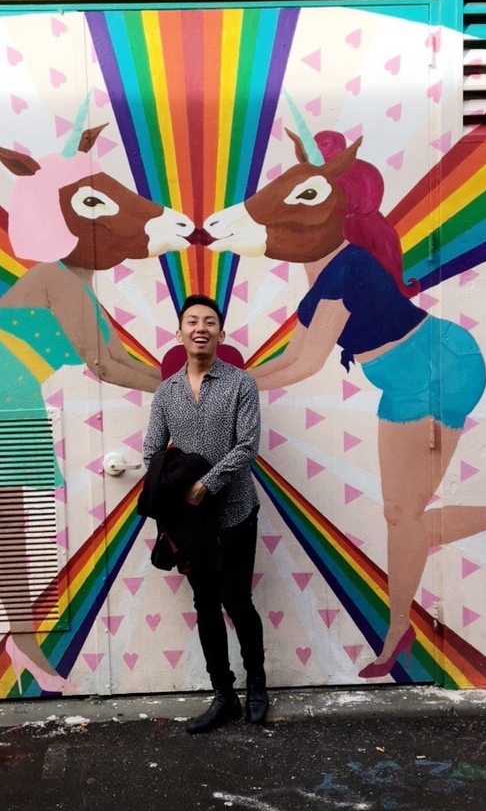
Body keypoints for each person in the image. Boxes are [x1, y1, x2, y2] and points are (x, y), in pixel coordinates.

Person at [143, 295, 268, 732]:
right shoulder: (166, 392)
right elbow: (151, 452)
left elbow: (247, 446)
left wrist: (207, 484)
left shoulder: (241, 384)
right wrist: (182, 489)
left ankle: (257, 685)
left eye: (209, 322)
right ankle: (223, 695)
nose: (201, 328)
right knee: (205, 604)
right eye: (192, 321)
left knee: (237, 600)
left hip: (235, 509)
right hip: (190, 520)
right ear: (179, 333)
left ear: (221, 333)